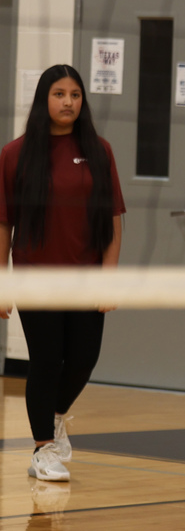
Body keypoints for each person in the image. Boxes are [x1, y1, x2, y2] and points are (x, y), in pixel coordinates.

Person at [0, 64, 125, 482]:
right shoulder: (15, 154)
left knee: (85, 359)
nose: (68, 101)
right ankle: (41, 451)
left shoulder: (99, 150)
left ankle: (53, 420)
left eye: (75, 94)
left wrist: (109, 278)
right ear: (44, 99)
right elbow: (4, 225)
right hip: (36, 277)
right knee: (47, 360)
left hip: (86, 277)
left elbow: (112, 220)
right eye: (59, 94)